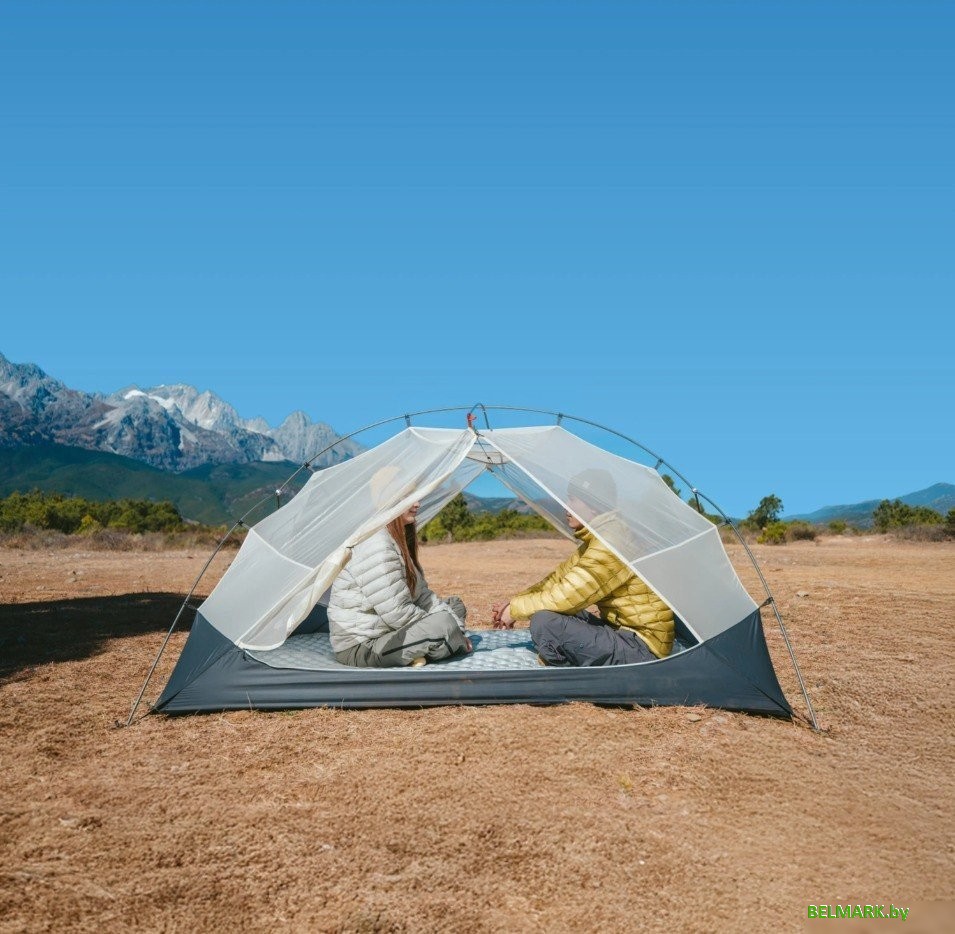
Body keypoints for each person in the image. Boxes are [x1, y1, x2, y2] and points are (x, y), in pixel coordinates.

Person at [492, 469, 674, 666]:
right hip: (620, 632)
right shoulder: (600, 537)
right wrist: (514, 602)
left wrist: (515, 610)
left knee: (545, 622)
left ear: (594, 505)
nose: (566, 507)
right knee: (557, 613)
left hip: (641, 648)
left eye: (573, 500)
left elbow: (567, 595)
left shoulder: (612, 541)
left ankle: (570, 674)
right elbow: (557, 580)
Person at [329, 501, 471, 667]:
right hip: (363, 646)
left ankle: (421, 650)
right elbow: (396, 612)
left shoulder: (396, 538)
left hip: (388, 630)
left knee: (455, 606)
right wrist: (451, 632)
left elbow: (424, 596)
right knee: (443, 625)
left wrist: (457, 630)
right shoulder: (376, 543)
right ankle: (431, 646)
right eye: (410, 497)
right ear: (390, 499)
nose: (418, 504)